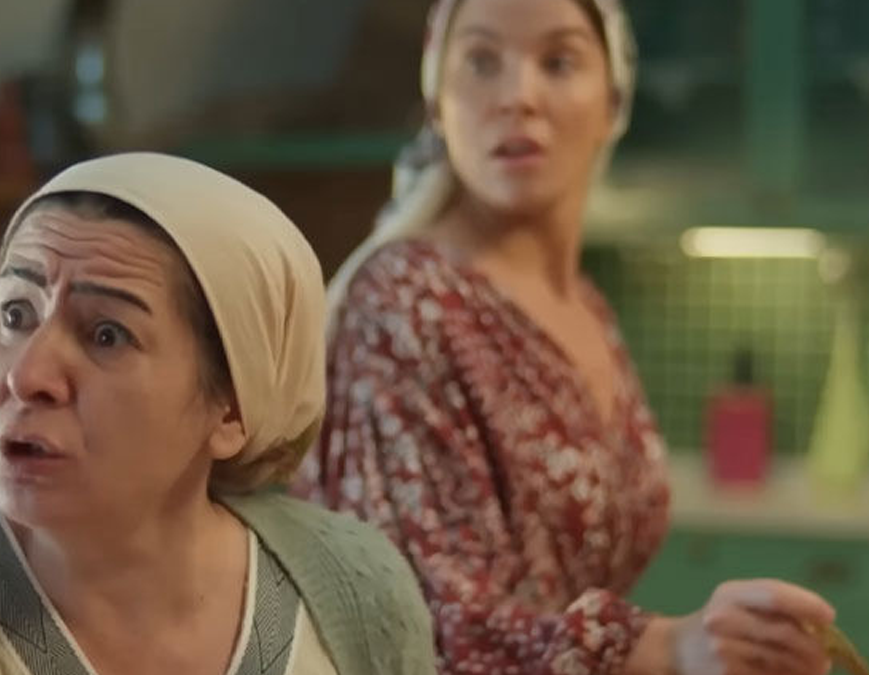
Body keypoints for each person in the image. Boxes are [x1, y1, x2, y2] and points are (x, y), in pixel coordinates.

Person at [295, 1, 836, 674]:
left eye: (558, 61)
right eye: (482, 61)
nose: (518, 97)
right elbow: (412, 623)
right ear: (437, 102)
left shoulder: (586, 305)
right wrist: (666, 646)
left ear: (614, 101)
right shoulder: (403, 301)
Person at [0, 153, 436, 675]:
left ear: (232, 407)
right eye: (16, 314)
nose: (27, 375)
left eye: (106, 334)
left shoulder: (355, 592)